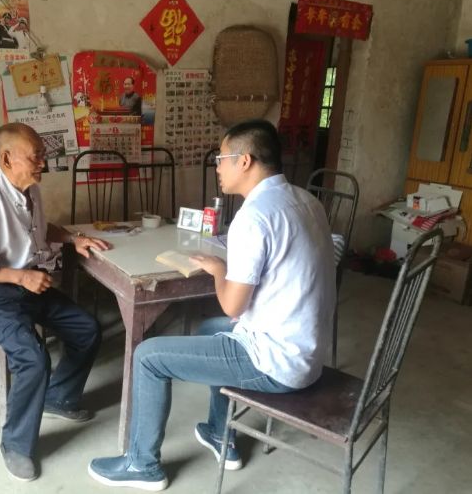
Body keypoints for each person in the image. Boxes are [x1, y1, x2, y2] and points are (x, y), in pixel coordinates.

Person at [88, 119, 336, 491]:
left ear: (245, 160)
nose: (218, 167)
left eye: (222, 159)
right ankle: (220, 432)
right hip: (306, 351)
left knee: (148, 356)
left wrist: (220, 270)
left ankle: (142, 465)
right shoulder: (306, 199)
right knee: (209, 329)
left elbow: (234, 306)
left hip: (275, 361)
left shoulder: (255, 215)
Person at [0, 122, 110, 482]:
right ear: (6, 158)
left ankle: (59, 397)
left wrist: (74, 238)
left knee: (87, 329)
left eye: (43, 154)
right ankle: (15, 444)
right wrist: (20, 277)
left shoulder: (30, 191)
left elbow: (42, 228)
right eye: (36, 156)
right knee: (33, 359)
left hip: (30, 286)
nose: (43, 162)